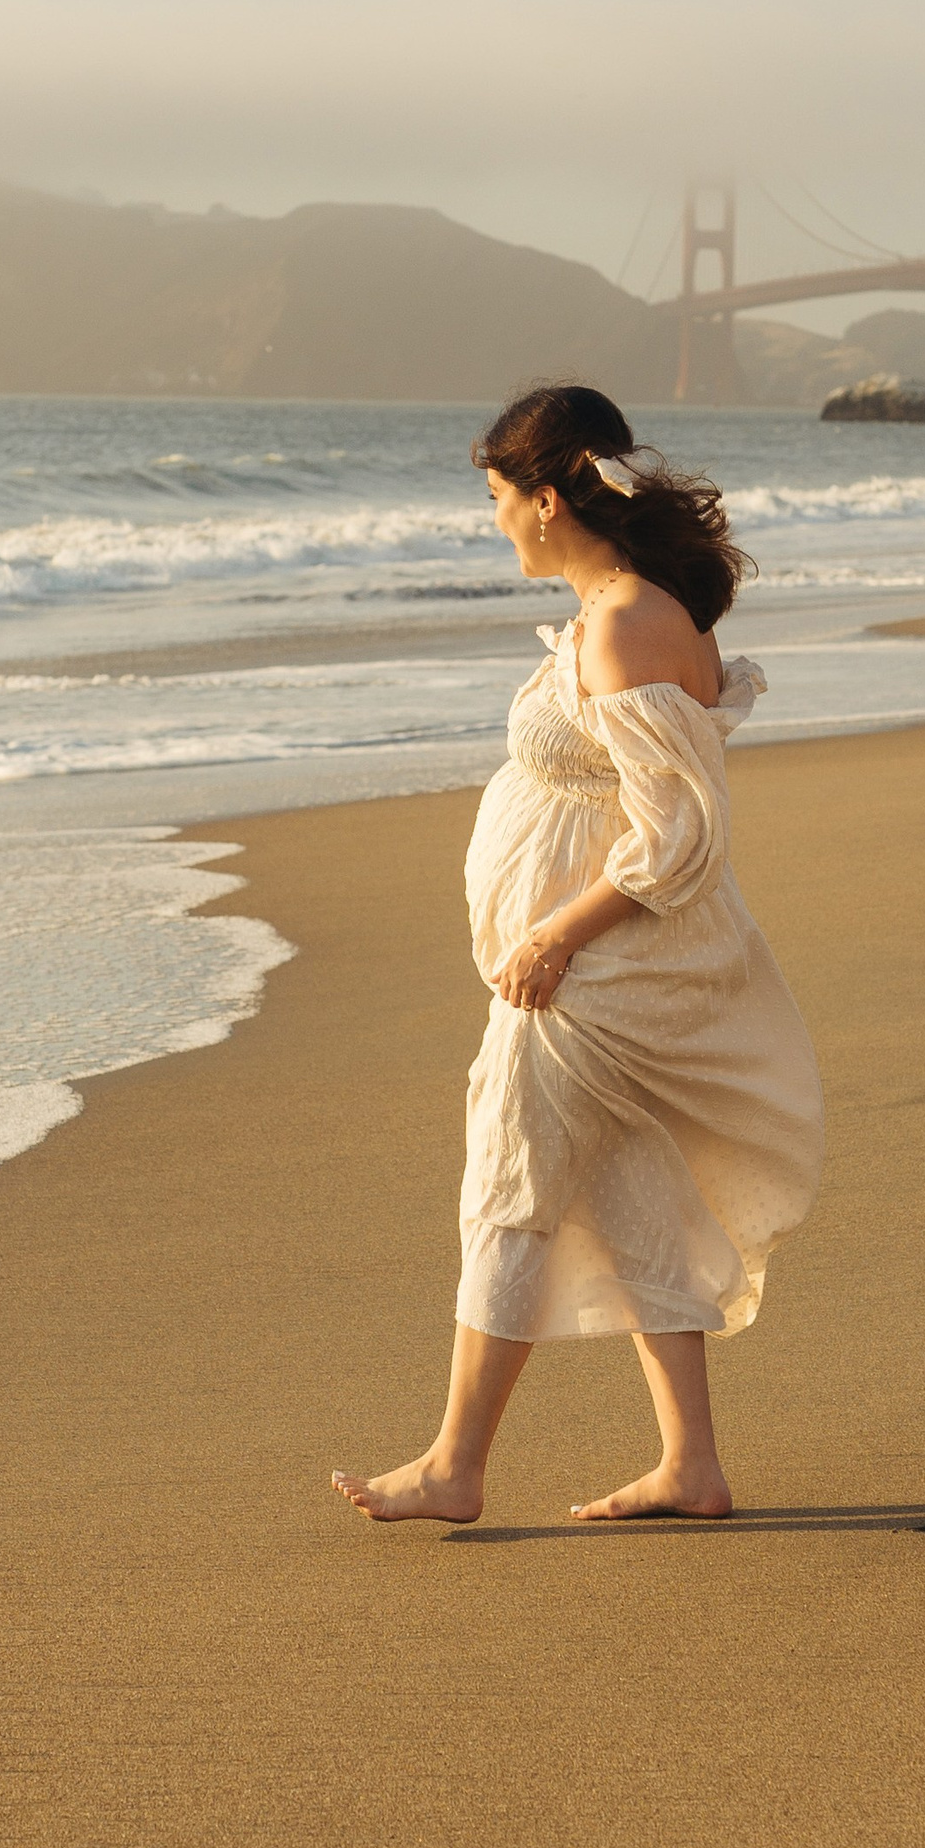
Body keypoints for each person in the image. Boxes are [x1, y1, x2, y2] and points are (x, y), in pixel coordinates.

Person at [332, 383, 823, 1528]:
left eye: (499, 498)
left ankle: (455, 1461)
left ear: (548, 499)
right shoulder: (621, 607)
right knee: (629, 1188)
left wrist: (553, 931)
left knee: (510, 1186)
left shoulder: (623, 621)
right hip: (593, 968)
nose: (494, 519)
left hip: (591, 975)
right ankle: (689, 1462)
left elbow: (679, 833)